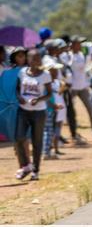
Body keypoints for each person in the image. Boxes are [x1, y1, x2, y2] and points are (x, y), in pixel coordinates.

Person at [14, 50, 51, 181]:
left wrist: (39, 99)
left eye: (38, 58)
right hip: (23, 110)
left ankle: (36, 170)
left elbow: (49, 94)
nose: (36, 60)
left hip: (39, 112)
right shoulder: (22, 72)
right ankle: (26, 165)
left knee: (37, 142)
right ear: (28, 60)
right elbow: (17, 89)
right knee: (19, 138)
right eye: (33, 58)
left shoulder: (45, 75)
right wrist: (20, 98)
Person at [61, 38, 92, 143]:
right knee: (69, 112)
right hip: (72, 88)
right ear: (73, 45)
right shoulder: (67, 56)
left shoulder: (83, 55)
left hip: (83, 87)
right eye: (78, 44)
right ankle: (70, 134)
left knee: (90, 110)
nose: (80, 46)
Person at [42, 60, 66, 159]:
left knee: (50, 131)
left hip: (52, 110)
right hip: (48, 110)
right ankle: (46, 153)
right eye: (54, 70)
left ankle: (48, 151)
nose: (56, 72)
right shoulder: (46, 84)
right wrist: (54, 105)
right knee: (48, 131)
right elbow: (46, 98)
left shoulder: (54, 82)